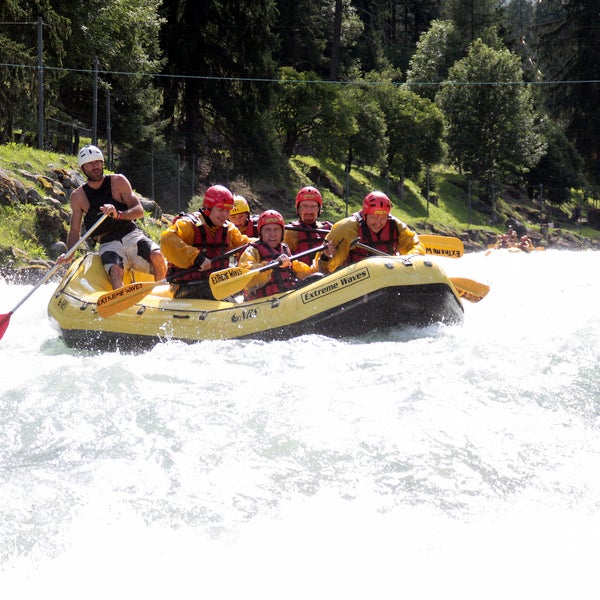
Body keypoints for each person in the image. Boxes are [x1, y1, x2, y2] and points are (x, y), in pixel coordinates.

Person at [57, 144, 167, 289]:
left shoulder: (118, 181)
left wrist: (119, 214)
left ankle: (163, 293)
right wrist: (69, 255)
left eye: (98, 162)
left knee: (157, 256)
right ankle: (122, 303)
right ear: (82, 168)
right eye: (90, 164)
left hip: (132, 234)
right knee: (115, 272)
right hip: (108, 243)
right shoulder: (78, 196)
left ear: (103, 163)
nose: (95, 166)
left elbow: (139, 210)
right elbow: (74, 231)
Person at [160, 184, 255, 299]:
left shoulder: (229, 229)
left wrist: (267, 243)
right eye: (220, 210)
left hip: (216, 287)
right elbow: (167, 239)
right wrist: (196, 258)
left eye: (228, 210)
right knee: (213, 292)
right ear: (208, 208)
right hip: (185, 288)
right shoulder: (188, 225)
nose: (225, 215)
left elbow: (246, 244)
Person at [315, 190, 425, 274]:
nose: (378, 223)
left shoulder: (395, 225)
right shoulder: (346, 228)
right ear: (365, 214)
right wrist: (327, 256)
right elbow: (324, 268)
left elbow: (416, 245)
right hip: (353, 279)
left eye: (383, 218)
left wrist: (405, 260)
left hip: (387, 274)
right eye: (374, 217)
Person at [238, 210, 331, 301]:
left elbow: (306, 272)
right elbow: (246, 275)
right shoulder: (252, 250)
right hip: (263, 303)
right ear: (260, 232)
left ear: (282, 233)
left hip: (285, 299)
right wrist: (271, 265)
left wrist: (324, 257)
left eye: (276, 230)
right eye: (267, 230)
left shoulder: (285, 251)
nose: (272, 234)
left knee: (316, 277)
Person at [283, 186, 333, 265]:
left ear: (319, 209)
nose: (309, 212)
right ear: (298, 209)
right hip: (301, 276)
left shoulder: (328, 230)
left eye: (313, 206)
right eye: (305, 206)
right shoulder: (291, 232)